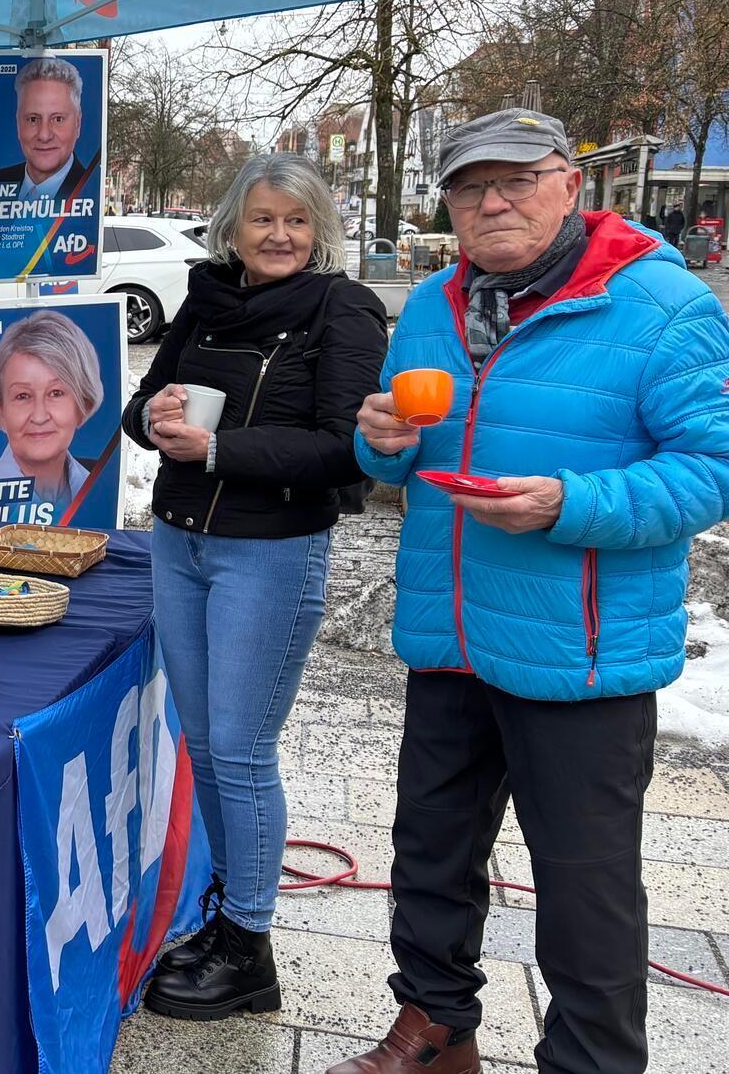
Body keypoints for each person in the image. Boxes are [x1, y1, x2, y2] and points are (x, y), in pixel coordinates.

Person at [332, 109, 729, 1074]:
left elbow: (712, 469)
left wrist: (572, 503)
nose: (492, 202)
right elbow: (396, 444)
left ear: (570, 185)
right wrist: (376, 438)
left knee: (585, 891)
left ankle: (591, 1063)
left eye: (516, 180)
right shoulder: (430, 304)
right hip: (451, 633)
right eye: (470, 187)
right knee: (429, 858)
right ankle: (435, 1031)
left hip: (578, 651)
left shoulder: (665, 306)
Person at [120, 153, 388, 1022]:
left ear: (319, 232)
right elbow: (147, 403)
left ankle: (251, 945)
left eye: (298, 221)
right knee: (203, 745)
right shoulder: (208, 295)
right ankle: (231, 919)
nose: (280, 236)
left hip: (269, 549)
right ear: (233, 224)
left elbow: (346, 447)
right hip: (180, 539)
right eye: (264, 218)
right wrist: (153, 418)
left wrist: (222, 449)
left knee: (239, 748)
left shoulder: (342, 308)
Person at [0, 310, 104, 511]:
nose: (40, 416)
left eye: (56, 393)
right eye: (23, 396)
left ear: (83, 403)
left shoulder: (101, 482)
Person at [0, 56, 95, 206]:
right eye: (33, 119)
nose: (44, 135)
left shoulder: (90, 189)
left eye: (58, 119)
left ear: (77, 124)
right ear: (18, 123)